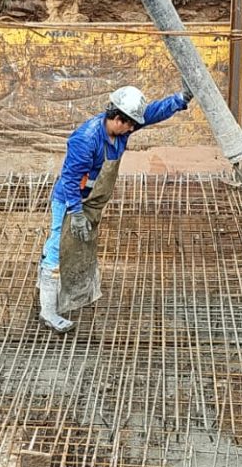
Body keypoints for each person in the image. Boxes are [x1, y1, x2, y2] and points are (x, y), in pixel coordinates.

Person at [38, 85, 193, 333]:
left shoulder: (122, 128)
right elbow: (69, 179)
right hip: (70, 200)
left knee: (69, 245)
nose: (132, 130)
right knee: (58, 245)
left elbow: (152, 113)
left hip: (92, 200)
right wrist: (75, 213)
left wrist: (179, 99)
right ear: (118, 119)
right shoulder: (86, 140)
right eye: (130, 125)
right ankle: (48, 312)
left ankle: (49, 278)